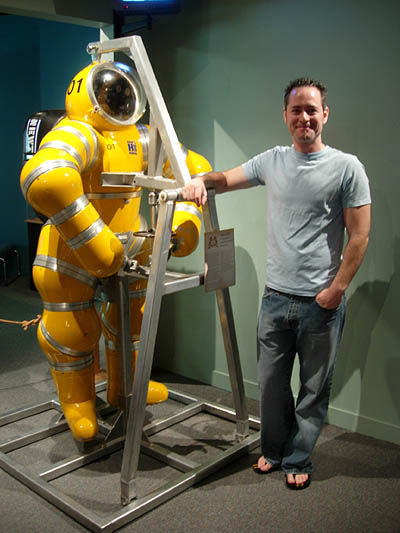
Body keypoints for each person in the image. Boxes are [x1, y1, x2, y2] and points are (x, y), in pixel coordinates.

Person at [180, 78, 371, 490]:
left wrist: (336, 290)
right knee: (270, 386)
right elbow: (223, 179)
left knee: (313, 389)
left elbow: (359, 235)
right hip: (275, 298)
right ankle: (273, 449)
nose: (304, 117)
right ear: (285, 115)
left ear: (324, 114)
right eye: (296, 110)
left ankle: (298, 457)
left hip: (321, 303)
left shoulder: (347, 167)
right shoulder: (273, 161)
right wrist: (199, 180)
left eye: (311, 110)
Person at [20, 60, 211, 442]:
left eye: (121, 91)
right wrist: (92, 239)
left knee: (132, 320)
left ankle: (126, 388)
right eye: (110, 92)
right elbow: (46, 178)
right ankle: (78, 402)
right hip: (70, 249)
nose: (117, 98)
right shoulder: (79, 133)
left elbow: (193, 170)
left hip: (129, 244)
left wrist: (183, 222)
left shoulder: (140, 137)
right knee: (73, 330)